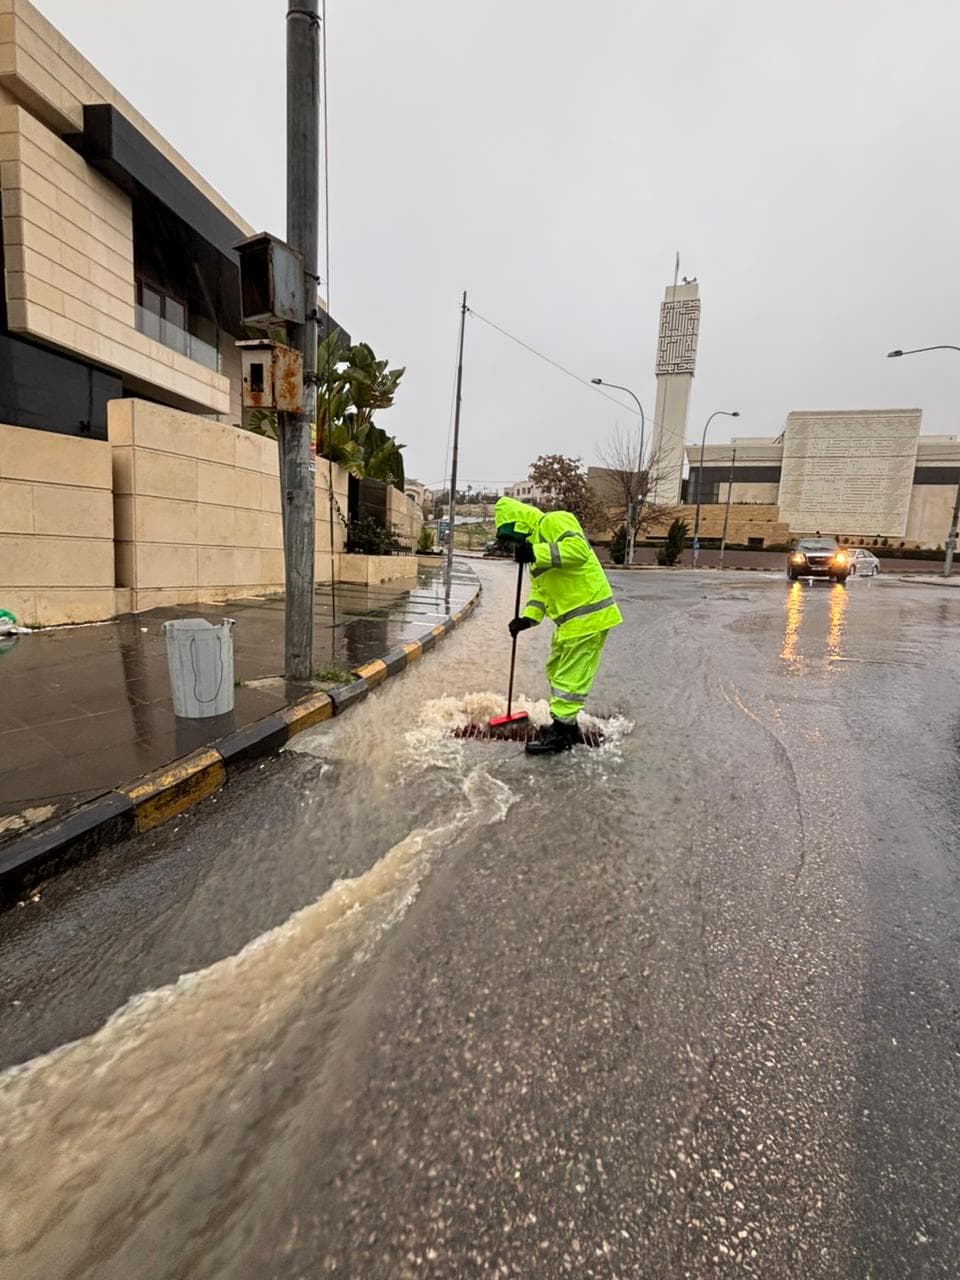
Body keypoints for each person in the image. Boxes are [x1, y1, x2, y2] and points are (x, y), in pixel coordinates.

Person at [494, 496, 622, 755]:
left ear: (521, 525)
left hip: (589, 615)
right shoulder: (533, 556)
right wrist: (526, 619)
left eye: (514, 539)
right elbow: (541, 594)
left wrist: (536, 551)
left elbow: (578, 550)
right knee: (556, 669)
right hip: (570, 623)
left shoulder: (554, 520)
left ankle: (562, 733)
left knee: (570, 675)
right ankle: (567, 724)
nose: (514, 546)